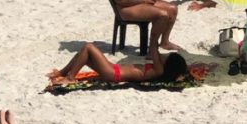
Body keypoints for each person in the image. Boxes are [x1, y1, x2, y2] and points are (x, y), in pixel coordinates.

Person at [48, 40, 188, 87]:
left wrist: (156, 35)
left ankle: (70, 77)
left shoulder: (159, 70)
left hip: (113, 74)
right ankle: (62, 73)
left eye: (167, 57)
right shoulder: (159, 68)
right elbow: (154, 53)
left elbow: (153, 49)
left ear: (169, 64)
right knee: (82, 55)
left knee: (88, 47)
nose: (164, 56)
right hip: (113, 69)